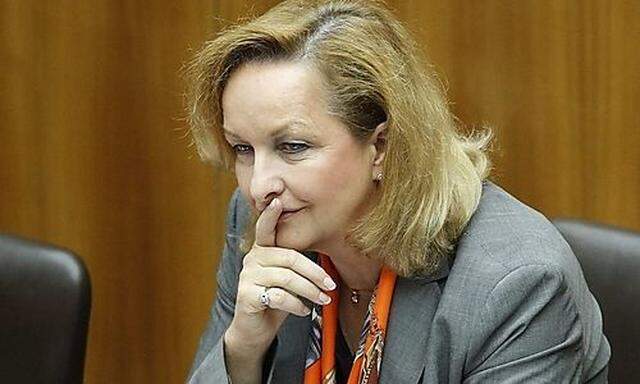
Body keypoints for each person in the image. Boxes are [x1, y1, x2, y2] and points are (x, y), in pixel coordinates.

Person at [185, 1, 610, 383]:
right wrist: (243, 351)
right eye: (243, 149)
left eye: (293, 147)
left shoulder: (515, 285)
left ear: (381, 147)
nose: (259, 185)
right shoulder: (258, 223)